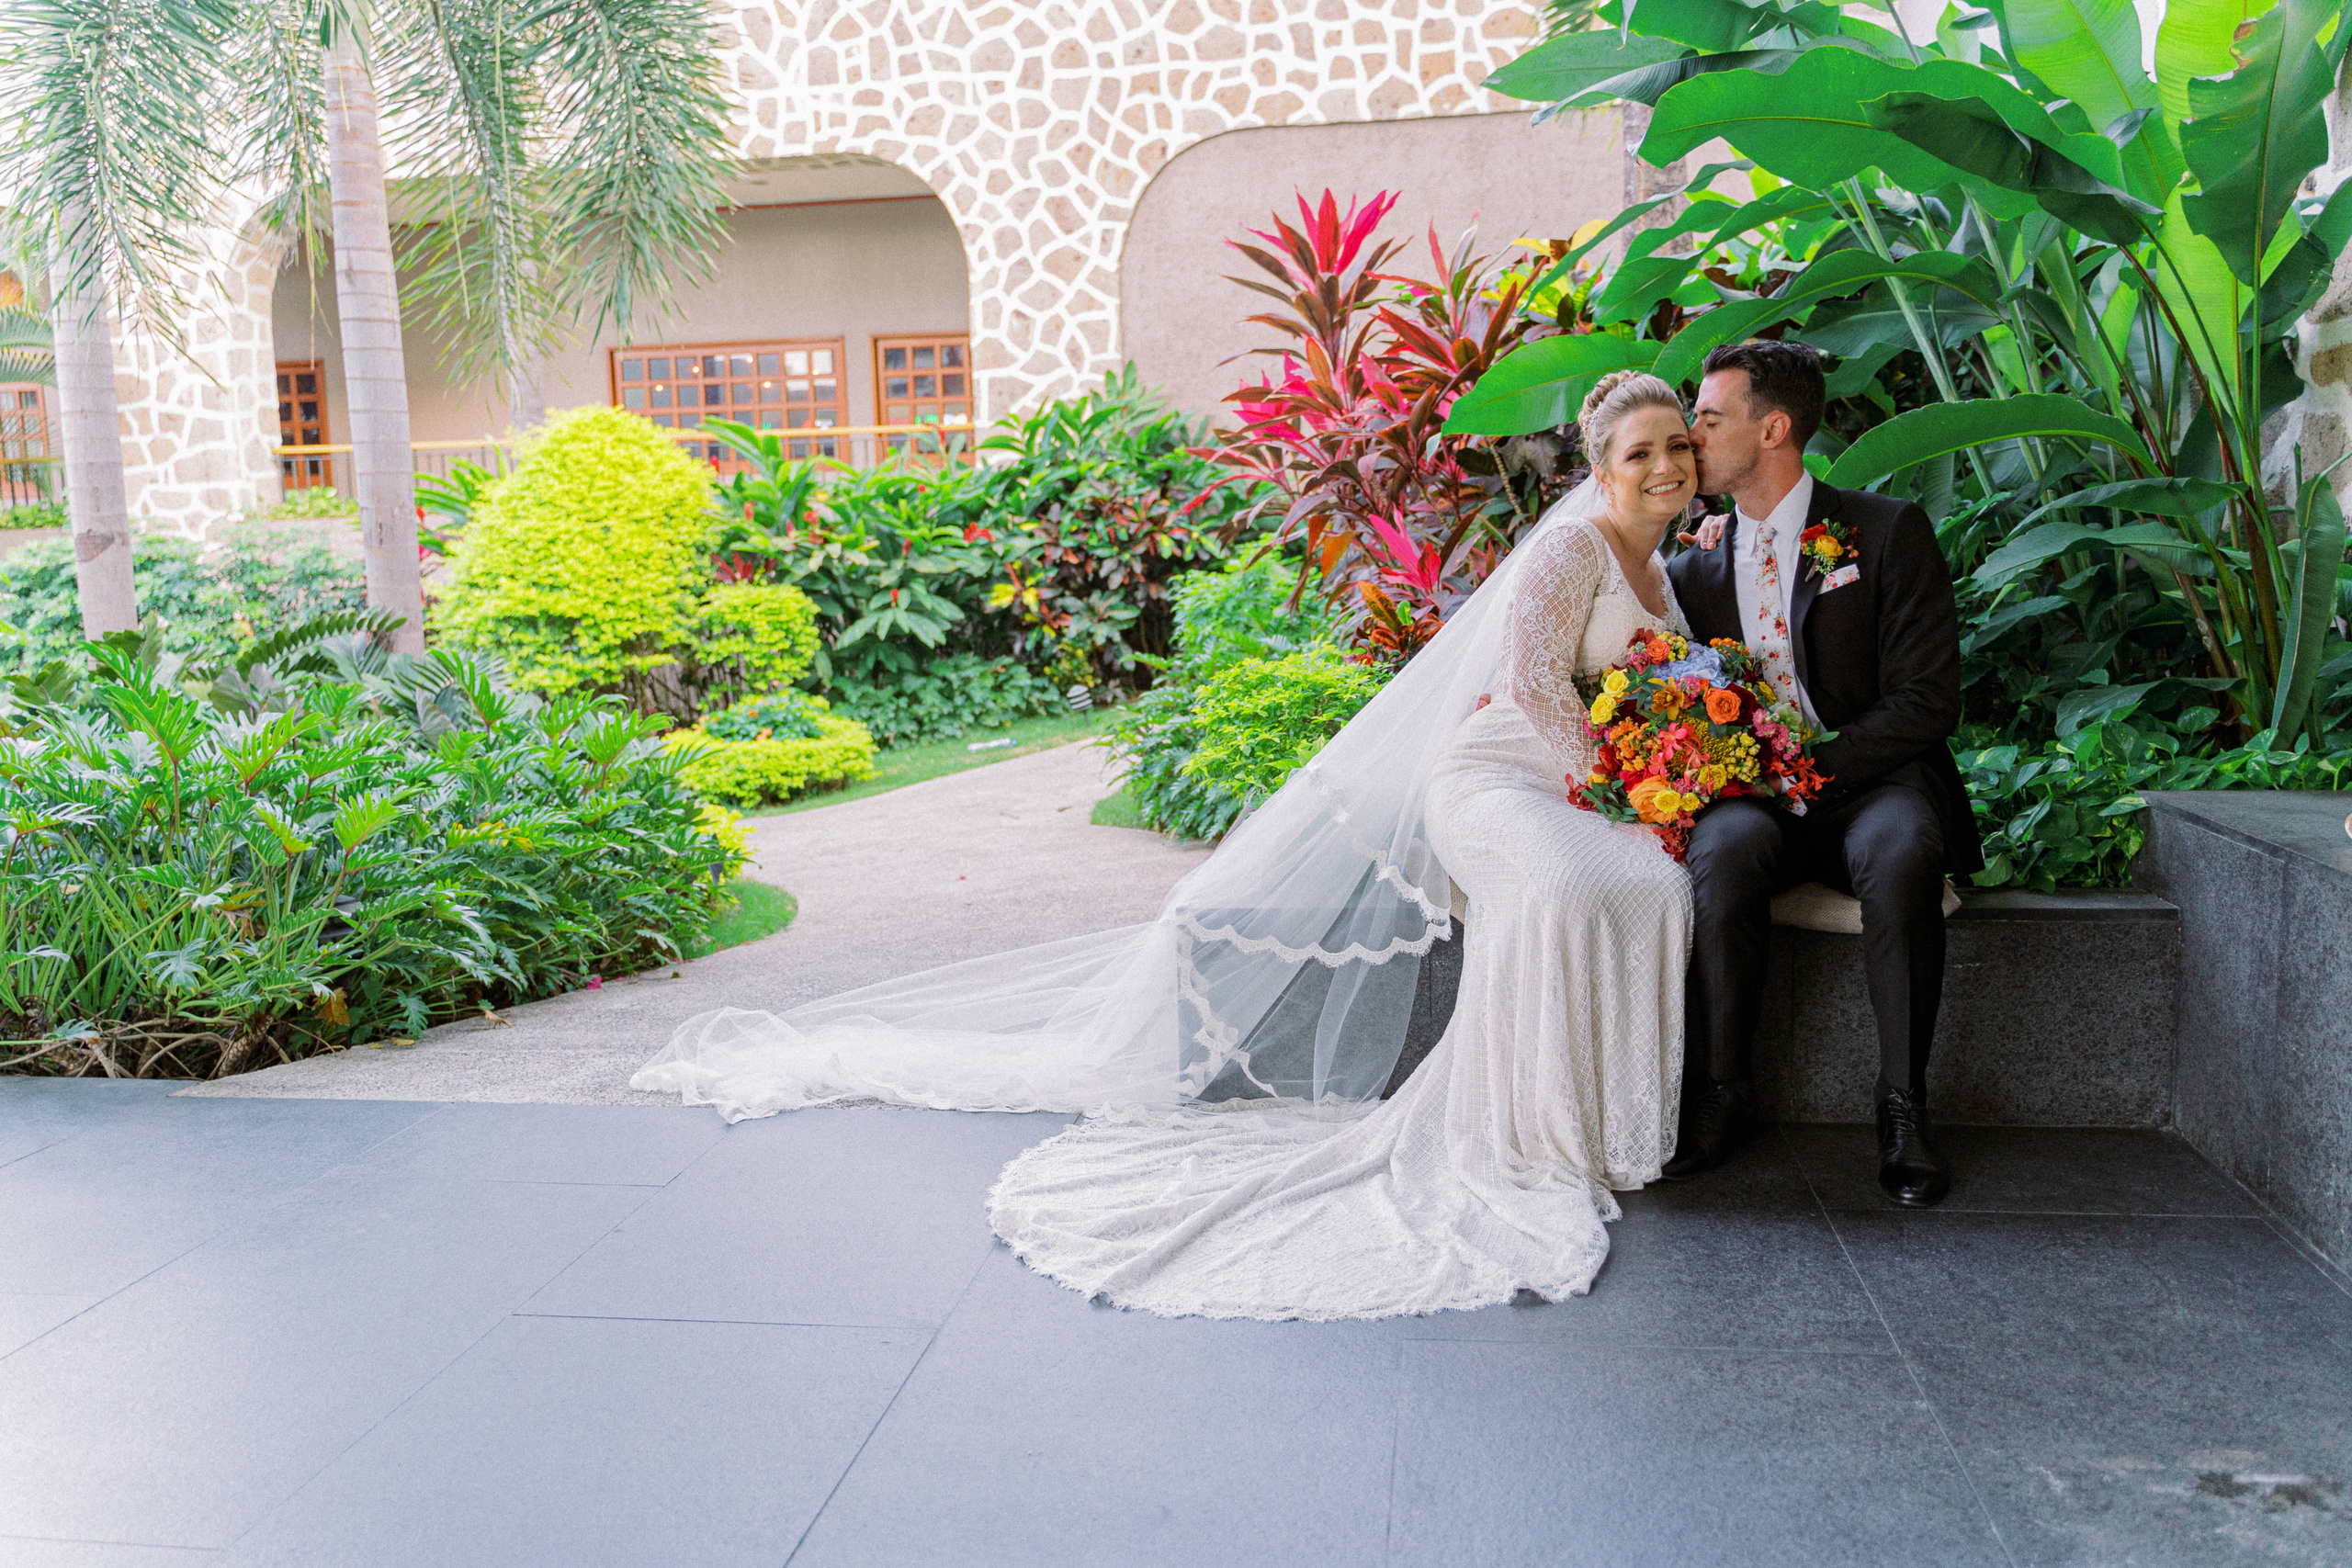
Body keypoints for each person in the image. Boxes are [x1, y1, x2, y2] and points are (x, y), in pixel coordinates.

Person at [633, 371, 1703, 1320]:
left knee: (1655, 886)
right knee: (1568, 884)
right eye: (1637, 451)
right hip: (1503, 777)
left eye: (1675, 446)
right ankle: (1534, 1130)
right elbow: (1526, 687)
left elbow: (1651, 694)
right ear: (1600, 468)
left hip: (1585, 784)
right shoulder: (1570, 546)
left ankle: (1619, 1125)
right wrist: (1620, 792)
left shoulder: (1673, 566)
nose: (1662, 465)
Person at [1664, 340, 1982, 1206]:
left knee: (1906, 852)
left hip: (1870, 783)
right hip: (1755, 801)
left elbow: (1927, 700)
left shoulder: (1884, 532)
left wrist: (1816, 766)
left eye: (1710, 416)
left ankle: (1904, 1107)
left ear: (1773, 429)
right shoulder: (1694, 563)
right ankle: (1724, 1098)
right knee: (1719, 855)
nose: (1693, 433)